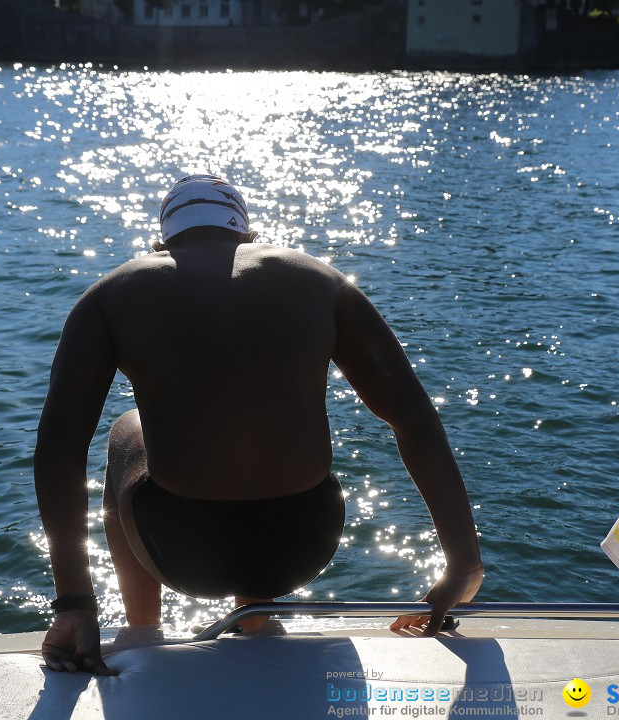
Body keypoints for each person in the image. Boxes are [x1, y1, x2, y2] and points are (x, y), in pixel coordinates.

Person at [34, 174, 483, 675]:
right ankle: (259, 620)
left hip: (178, 548)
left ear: (162, 240)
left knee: (127, 429)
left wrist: (74, 602)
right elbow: (414, 417)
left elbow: (60, 450)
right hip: (303, 544)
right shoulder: (318, 278)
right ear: (245, 234)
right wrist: (462, 560)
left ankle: (142, 630)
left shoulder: (113, 292)